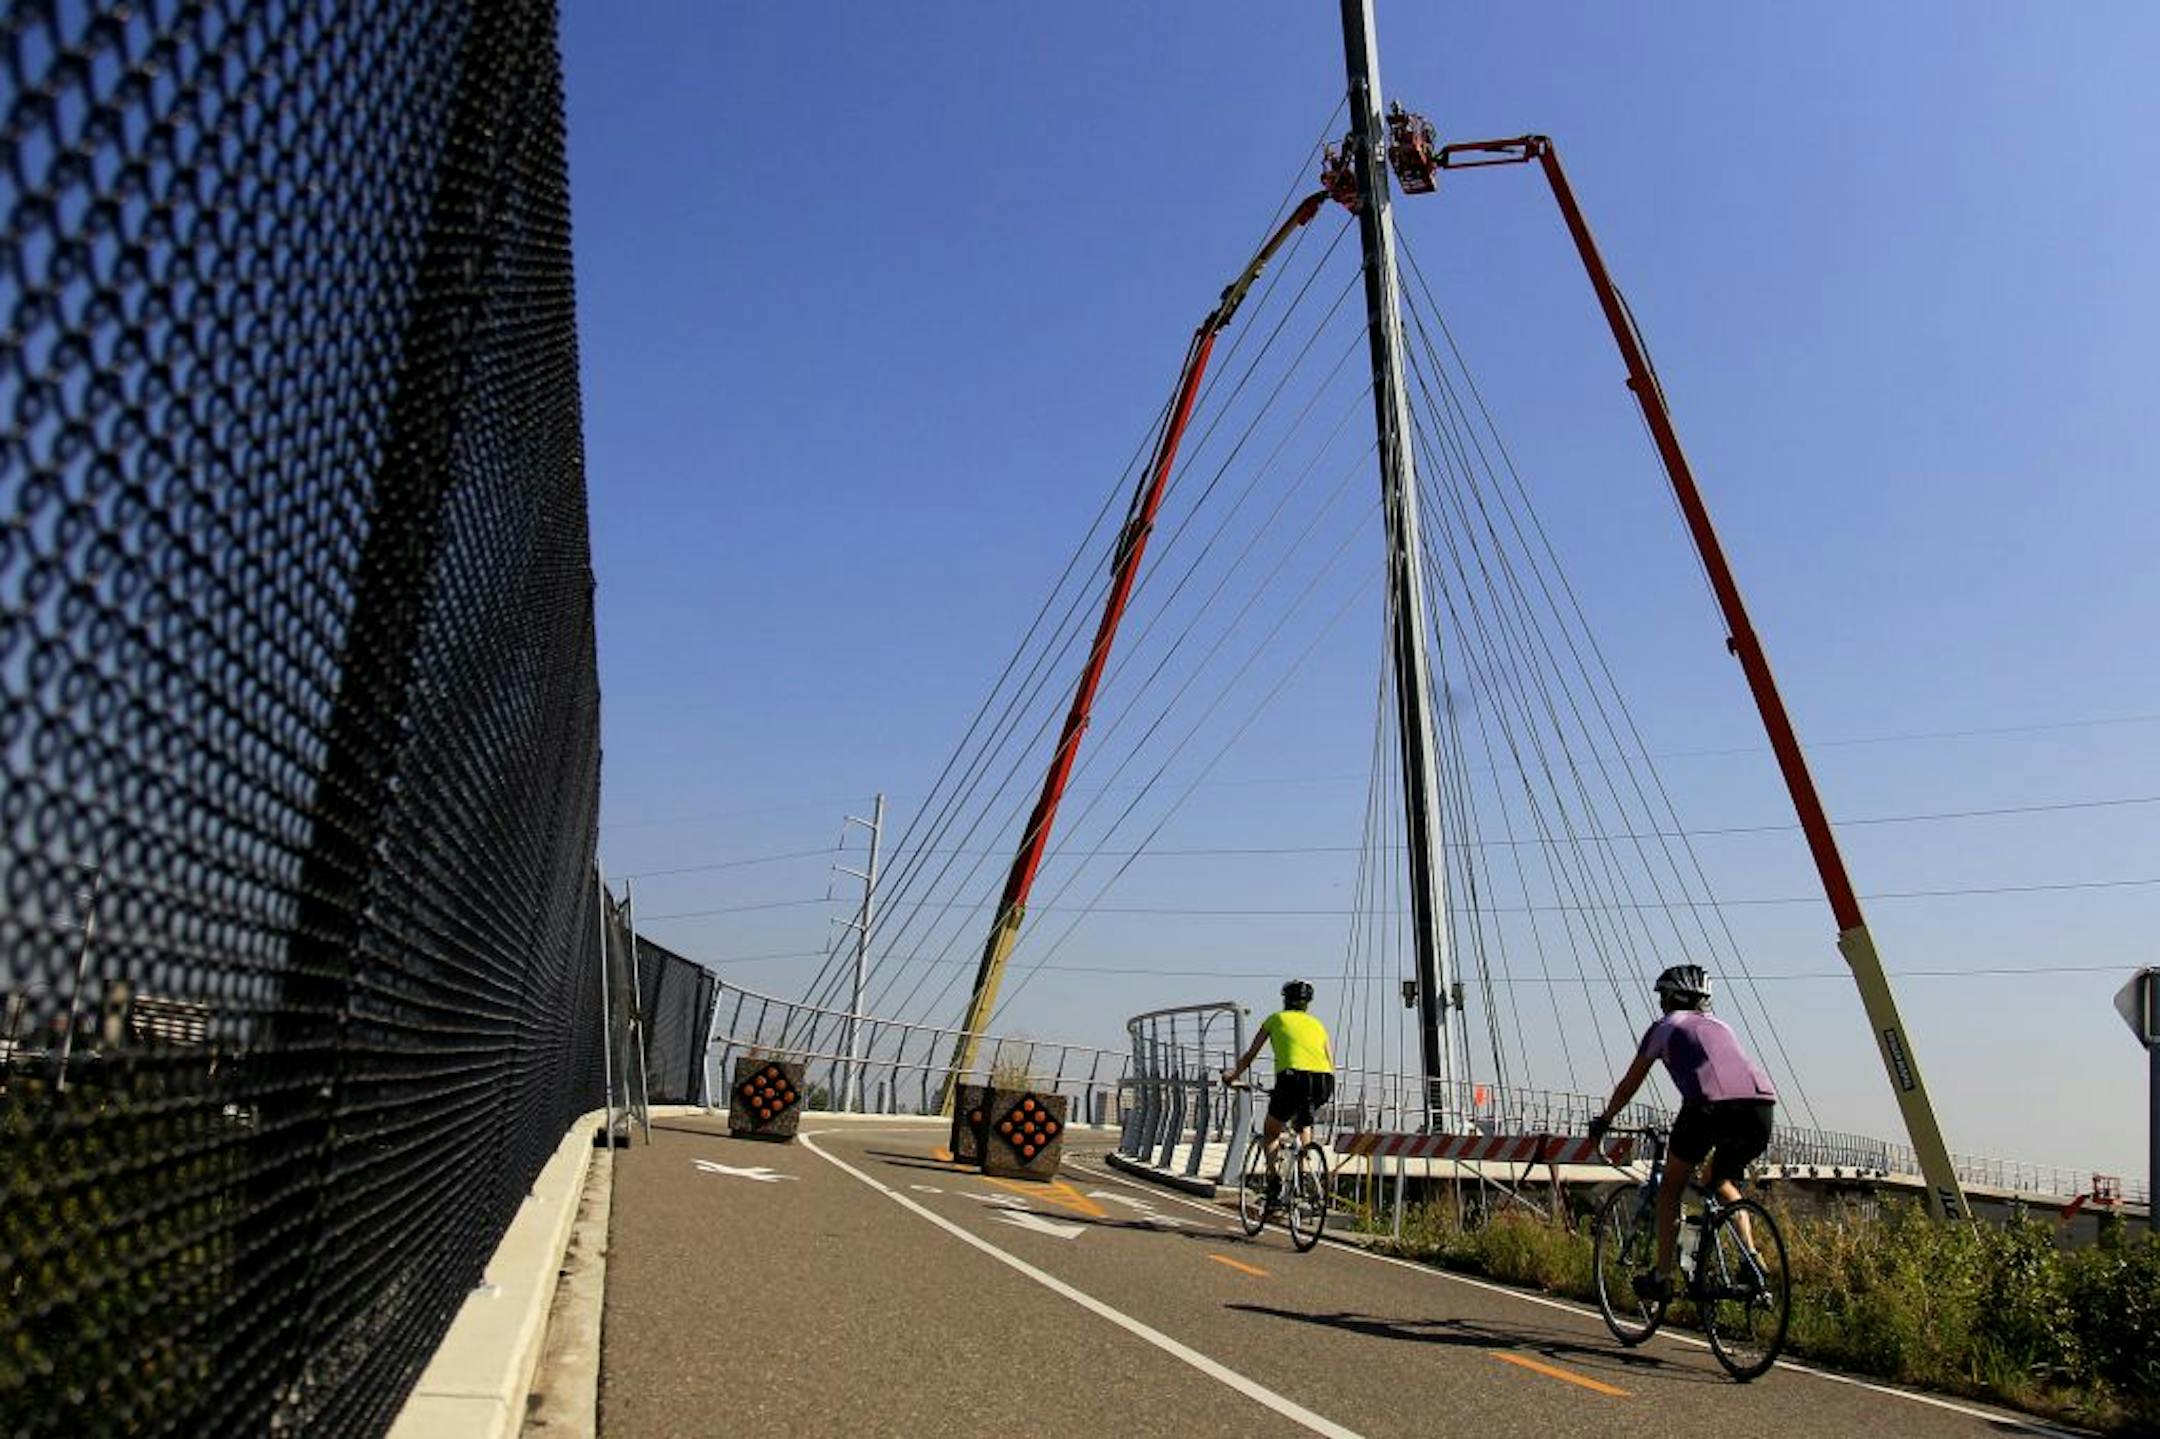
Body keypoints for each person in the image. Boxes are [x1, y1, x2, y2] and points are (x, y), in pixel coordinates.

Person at [1588, 964, 1776, 1303]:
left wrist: (1604, 1119)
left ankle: (1662, 1277)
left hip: (1709, 1106)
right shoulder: (1722, 1026)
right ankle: (1752, 1260)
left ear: (1671, 997)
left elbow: (1629, 1085)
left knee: (1671, 1187)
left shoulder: (1664, 1027)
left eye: (1663, 996)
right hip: (1761, 1108)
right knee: (1718, 1182)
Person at [1222, 979, 1336, 1202]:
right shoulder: (1318, 1025)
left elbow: (1250, 1055)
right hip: (1324, 1080)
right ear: (1307, 1004)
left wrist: (1232, 1076)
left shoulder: (1275, 1019)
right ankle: (1303, 1172)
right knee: (1303, 1121)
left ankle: (1274, 1184)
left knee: (1271, 1131)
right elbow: (1330, 1061)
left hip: (1292, 1078)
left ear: (1285, 1000)